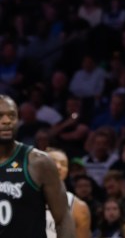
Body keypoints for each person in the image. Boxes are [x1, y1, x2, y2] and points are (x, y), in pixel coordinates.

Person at [0, 96, 74, 237]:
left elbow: (63, 218)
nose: (7, 121)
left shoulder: (39, 162)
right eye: (0, 116)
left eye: (12, 116)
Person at [45, 149, 91, 238]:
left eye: (63, 164)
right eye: (53, 161)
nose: (58, 167)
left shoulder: (79, 207)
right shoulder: (21, 198)